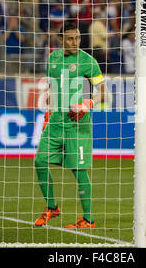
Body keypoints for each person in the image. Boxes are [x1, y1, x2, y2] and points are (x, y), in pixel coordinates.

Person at [34, 21, 107, 229]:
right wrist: (48, 114)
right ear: (61, 40)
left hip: (78, 125)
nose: (75, 42)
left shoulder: (88, 61)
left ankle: (88, 219)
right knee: (40, 161)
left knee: (78, 170)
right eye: (70, 39)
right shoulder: (52, 59)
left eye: (77, 38)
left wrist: (88, 103)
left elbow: (103, 91)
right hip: (55, 123)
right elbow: (52, 90)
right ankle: (52, 207)